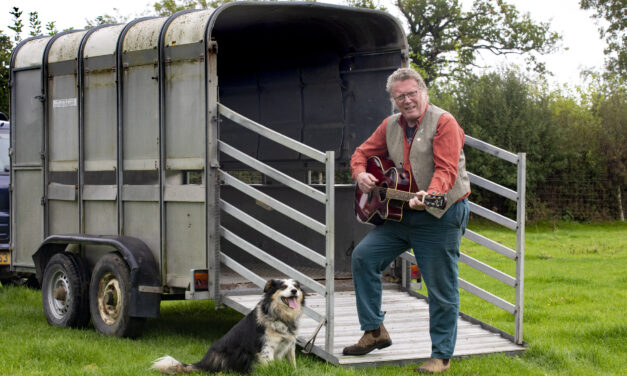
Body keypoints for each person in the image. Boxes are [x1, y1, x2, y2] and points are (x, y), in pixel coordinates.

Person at [343, 67, 470, 374]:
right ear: (393, 99)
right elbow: (361, 153)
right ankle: (374, 331)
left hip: (440, 213)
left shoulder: (444, 122)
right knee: (363, 257)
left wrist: (431, 194)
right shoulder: (390, 125)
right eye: (400, 96)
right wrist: (360, 173)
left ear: (423, 92)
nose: (407, 100)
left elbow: (446, 170)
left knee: (440, 286)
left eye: (412, 93)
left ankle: (441, 356)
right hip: (400, 214)